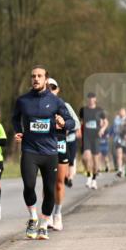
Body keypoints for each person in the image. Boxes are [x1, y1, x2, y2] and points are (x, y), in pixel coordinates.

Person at [11, 66, 75, 240]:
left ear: (46, 79)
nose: (36, 79)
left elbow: (71, 122)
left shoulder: (56, 101)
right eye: (33, 76)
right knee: (29, 185)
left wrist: (63, 123)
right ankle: (33, 217)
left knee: (49, 190)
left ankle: (44, 224)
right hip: (30, 150)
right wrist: (19, 131)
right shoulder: (23, 100)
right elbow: (15, 118)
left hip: (50, 152)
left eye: (39, 76)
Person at [47, 78, 80, 230]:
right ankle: (47, 214)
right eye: (48, 87)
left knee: (59, 183)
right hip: (45, 146)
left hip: (60, 144)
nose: (50, 90)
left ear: (58, 90)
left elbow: (76, 123)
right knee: (48, 183)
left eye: (53, 88)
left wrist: (64, 124)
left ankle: (57, 214)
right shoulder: (39, 106)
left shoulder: (64, 105)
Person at [78, 92, 108, 189]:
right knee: (86, 157)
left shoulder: (99, 110)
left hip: (96, 136)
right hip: (86, 136)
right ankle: (89, 176)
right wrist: (79, 131)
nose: (91, 99)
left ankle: (94, 180)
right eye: (89, 98)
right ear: (87, 99)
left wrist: (102, 129)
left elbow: (106, 122)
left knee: (95, 160)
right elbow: (80, 122)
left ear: (95, 99)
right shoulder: (83, 110)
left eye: (92, 98)